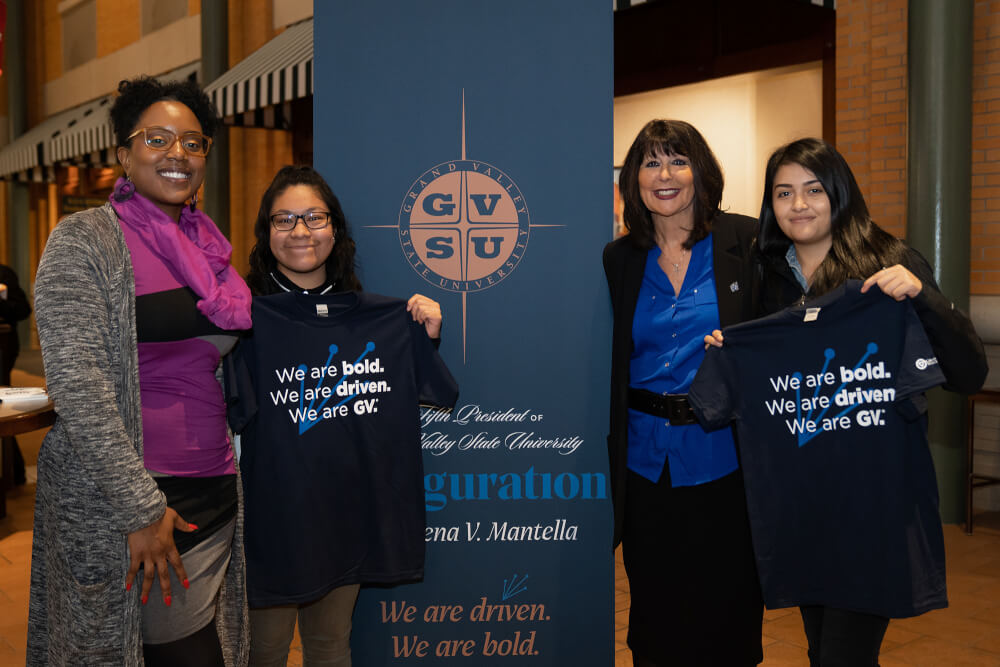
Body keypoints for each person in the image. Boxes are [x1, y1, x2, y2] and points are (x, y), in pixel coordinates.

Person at [705, 137, 988, 666]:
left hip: (873, 500)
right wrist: (731, 348)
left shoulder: (890, 264)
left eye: (813, 189)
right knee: (821, 650)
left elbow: (969, 374)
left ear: (839, 192)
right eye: (783, 192)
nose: (798, 205)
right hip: (802, 502)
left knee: (843, 656)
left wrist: (921, 297)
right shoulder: (766, 276)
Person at [28, 76, 250, 666]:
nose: (178, 152)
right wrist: (141, 507)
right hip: (126, 498)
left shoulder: (209, 247)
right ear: (123, 154)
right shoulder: (85, 241)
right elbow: (77, 381)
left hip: (214, 488)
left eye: (193, 142)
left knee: (196, 644)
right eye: (158, 138)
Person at [239, 165, 447, 667]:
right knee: (262, 650)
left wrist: (424, 337)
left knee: (331, 644)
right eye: (284, 219)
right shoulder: (244, 319)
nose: (301, 231)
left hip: (349, 514)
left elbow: (427, 395)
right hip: (272, 519)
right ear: (267, 234)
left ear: (335, 228)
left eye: (314, 217)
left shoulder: (380, 319)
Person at [603, 119, 763, 667]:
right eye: (650, 162)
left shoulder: (747, 241)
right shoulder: (619, 259)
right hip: (646, 464)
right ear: (634, 181)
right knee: (654, 619)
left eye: (677, 160)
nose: (665, 174)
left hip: (726, 459)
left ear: (701, 172)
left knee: (729, 614)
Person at [0, 262, 32, 485]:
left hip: (2, 347)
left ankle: (12, 472)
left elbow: (22, 310)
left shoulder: (3, 274)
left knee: (3, 411)